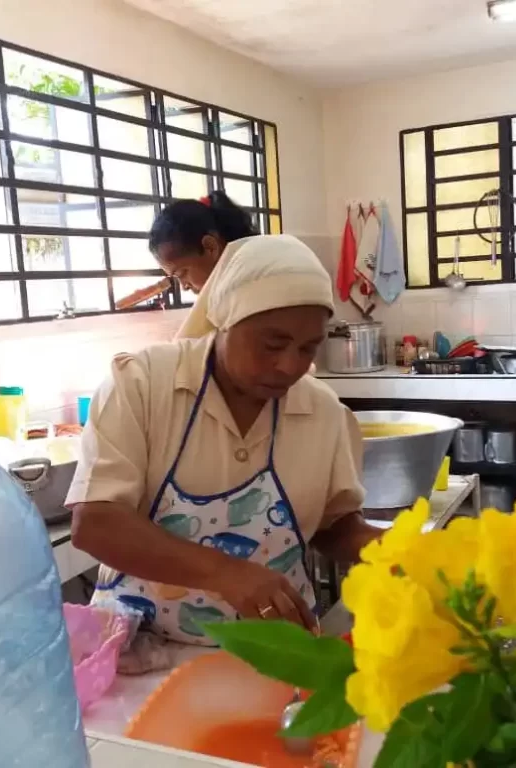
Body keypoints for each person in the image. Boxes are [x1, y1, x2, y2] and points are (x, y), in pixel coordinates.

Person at [67, 235, 381, 645]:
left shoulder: (322, 410)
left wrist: (390, 550)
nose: (290, 366)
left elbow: (333, 525)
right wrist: (225, 572)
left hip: (274, 656)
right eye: (273, 344)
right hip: (139, 655)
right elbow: (96, 524)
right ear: (225, 321)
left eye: (307, 348)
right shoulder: (143, 383)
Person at [149, 191, 257, 340]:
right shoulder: (258, 255)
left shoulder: (243, 286)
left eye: (182, 273)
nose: (184, 286)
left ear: (210, 247)